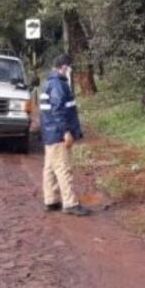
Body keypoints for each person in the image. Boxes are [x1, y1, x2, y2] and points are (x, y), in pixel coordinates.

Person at [38, 54, 90, 216]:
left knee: (50, 168)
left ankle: (51, 200)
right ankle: (70, 203)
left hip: (49, 133)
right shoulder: (59, 85)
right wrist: (66, 132)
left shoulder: (48, 83)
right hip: (58, 133)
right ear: (63, 67)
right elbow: (58, 111)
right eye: (69, 67)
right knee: (63, 167)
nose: (70, 71)